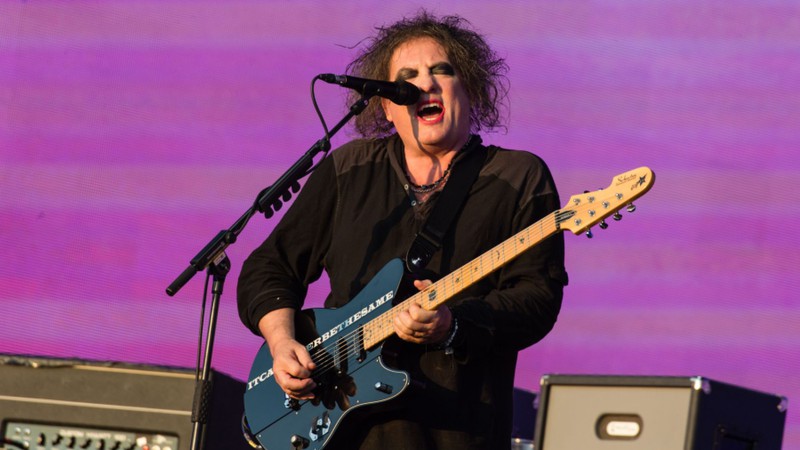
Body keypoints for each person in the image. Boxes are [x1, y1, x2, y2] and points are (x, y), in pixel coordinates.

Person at [237, 10, 568, 450]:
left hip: (456, 430)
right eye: (407, 77)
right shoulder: (349, 168)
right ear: (388, 106)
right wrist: (282, 343)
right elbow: (270, 266)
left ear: (470, 89)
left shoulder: (518, 176)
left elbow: (538, 297)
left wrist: (453, 325)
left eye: (442, 71)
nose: (424, 84)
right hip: (341, 433)